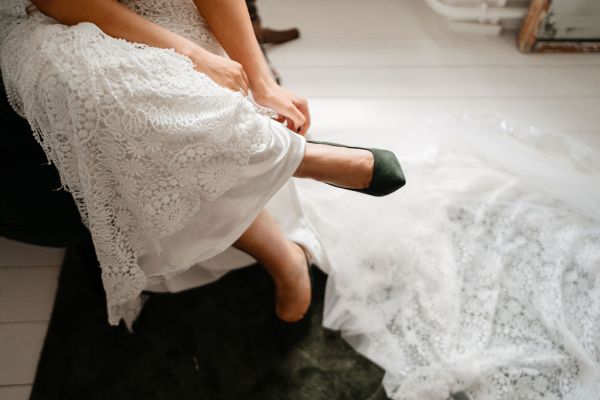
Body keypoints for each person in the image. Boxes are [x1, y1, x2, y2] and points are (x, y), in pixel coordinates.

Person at [0, 0, 404, 324]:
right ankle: (296, 171)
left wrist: (262, 80)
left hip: (153, 5)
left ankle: (279, 193)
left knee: (196, 99)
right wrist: (192, 54)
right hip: (53, 15)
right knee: (107, 94)